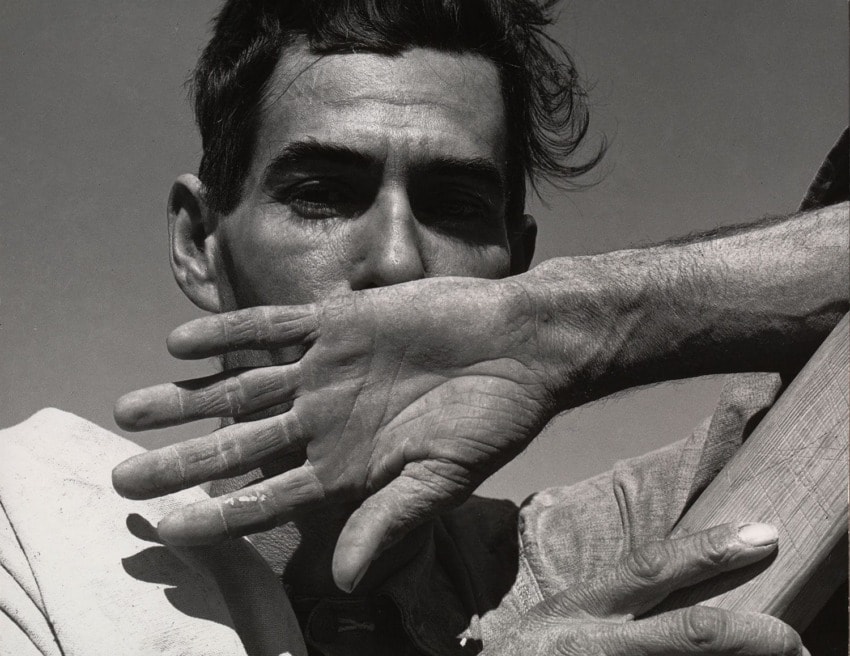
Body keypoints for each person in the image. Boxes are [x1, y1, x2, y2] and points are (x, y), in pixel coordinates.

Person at [1, 1, 846, 654]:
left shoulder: (568, 559)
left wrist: (575, 318)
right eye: (323, 194)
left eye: (457, 205)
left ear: (516, 265)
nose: (400, 264)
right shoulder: (36, 534)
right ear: (199, 243)